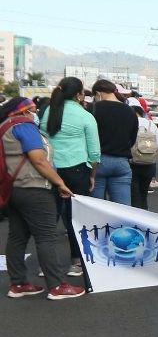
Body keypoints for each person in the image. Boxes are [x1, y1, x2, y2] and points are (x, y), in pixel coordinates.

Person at [2, 97, 82, 300]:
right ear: (23, 111)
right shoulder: (25, 127)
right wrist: (60, 183)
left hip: (15, 188)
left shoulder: (5, 127)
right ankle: (56, 285)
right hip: (35, 188)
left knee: (17, 237)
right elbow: (38, 159)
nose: (35, 113)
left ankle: (18, 283)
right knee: (46, 237)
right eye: (32, 110)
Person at [40, 76, 99, 281]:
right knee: (75, 219)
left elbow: (42, 142)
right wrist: (92, 175)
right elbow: (94, 152)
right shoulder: (85, 116)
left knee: (49, 219)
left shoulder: (48, 111)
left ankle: (46, 264)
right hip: (77, 171)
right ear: (78, 94)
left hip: (50, 170)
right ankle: (76, 262)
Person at [89, 79, 137, 205]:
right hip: (121, 163)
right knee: (122, 210)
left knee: (96, 208)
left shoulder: (93, 109)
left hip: (98, 162)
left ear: (98, 93)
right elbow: (132, 138)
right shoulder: (130, 111)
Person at [127, 98, 158, 209]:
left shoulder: (129, 123)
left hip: (132, 163)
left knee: (134, 195)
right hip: (149, 163)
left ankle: (136, 221)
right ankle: (145, 217)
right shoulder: (151, 124)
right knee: (144, 194)